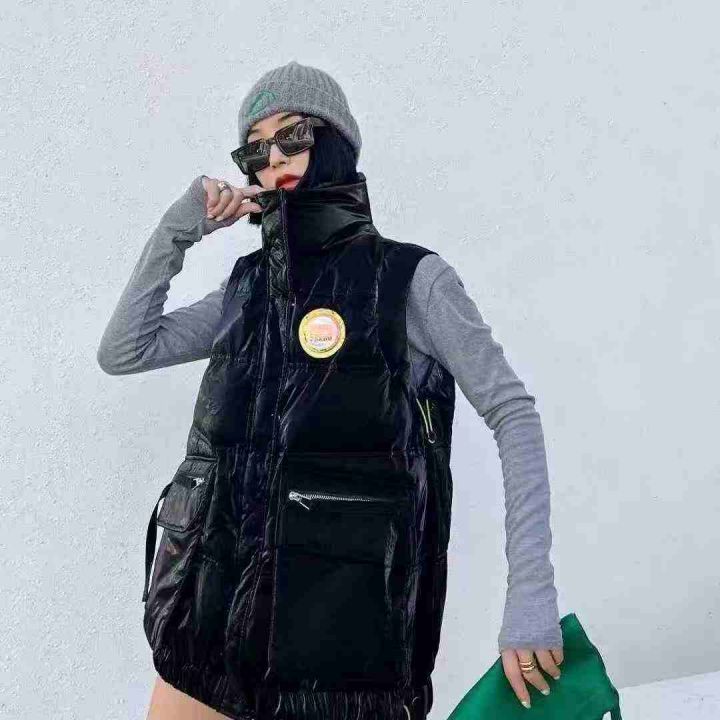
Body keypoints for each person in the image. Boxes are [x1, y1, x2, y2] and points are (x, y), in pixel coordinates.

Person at [97, 60, 563, 720]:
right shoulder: (245, 289)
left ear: (336, 139)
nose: (274, 158)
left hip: (342, 655)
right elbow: (125, 350)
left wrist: (531, 596)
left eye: (294, 135)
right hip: (207, 634)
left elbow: (513, 414)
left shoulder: (411, 281)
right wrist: (180, 228)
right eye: (255, 149)